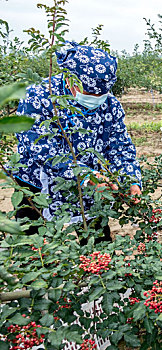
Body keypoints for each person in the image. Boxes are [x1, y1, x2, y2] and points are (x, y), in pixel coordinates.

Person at [12, 41, 142, 241]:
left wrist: (131, 179)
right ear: (72, 80)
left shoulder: (109, 104)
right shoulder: (37, 97)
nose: (96, 99)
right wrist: (85, 175)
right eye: (90, 94)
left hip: (89, 180)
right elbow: (40, 149)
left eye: (101, 94)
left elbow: (120, 146)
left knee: (97, 242)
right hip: (37, 179)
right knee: (30, 241)